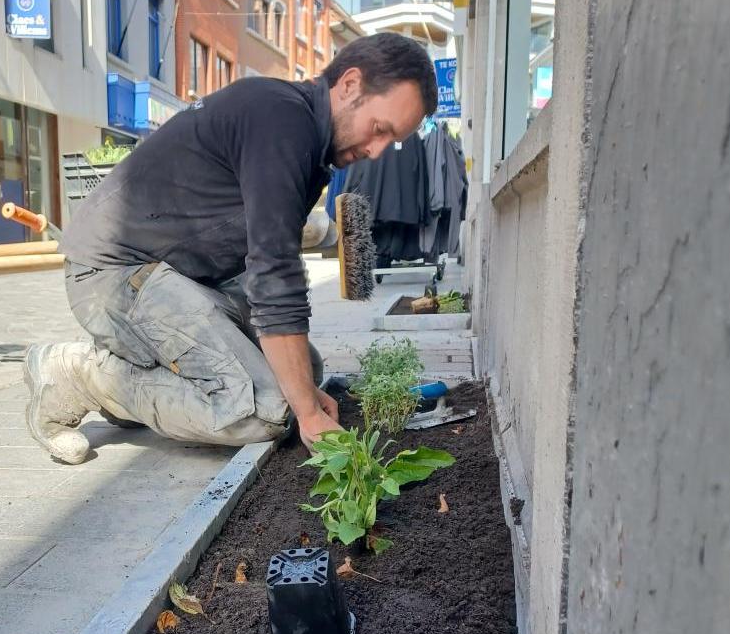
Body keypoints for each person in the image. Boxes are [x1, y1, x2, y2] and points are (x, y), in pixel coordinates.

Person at [24, 33, 437, 465]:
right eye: (379, 130)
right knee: (262, 411)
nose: (374, 151)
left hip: (175, 276)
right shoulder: (282, 122)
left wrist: (305, 395)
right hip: (113, 275)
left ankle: (132, 383)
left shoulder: (302, 133)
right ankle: (77, 376)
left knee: (303, 375)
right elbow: (274, 275)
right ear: (350, 84)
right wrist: (309, 412)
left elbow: (269, 268)